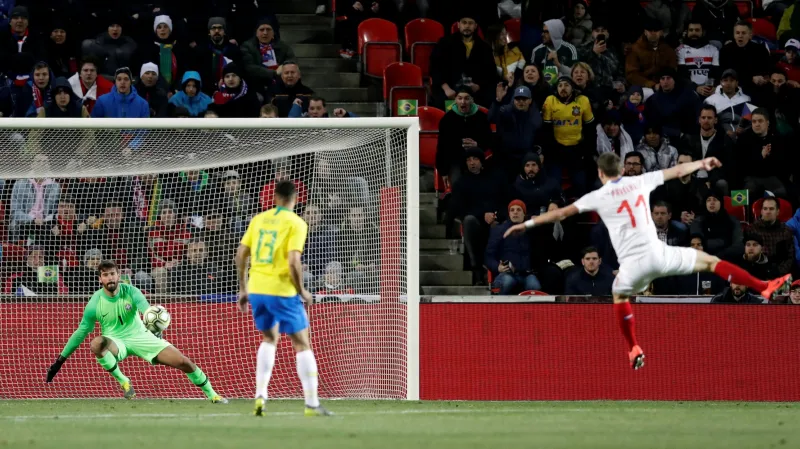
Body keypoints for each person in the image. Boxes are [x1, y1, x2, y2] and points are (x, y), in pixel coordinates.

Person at [504, 152, 792, 370]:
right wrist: (701, 164)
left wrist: (527, 224)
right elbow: (676, 169)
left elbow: (561, 214)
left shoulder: (598, 194)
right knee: (710, 261)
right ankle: (762, 286)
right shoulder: (639, 180)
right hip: (660, 254)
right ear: (620, 170)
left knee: (619, 295)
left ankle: (633, 347)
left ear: (602, 174)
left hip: (633, 266)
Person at [45, 260, 227, 403]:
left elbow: (146, 310)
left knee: (183, 362)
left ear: (119, 275)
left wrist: (154, 328)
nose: (110, 278)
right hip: (116, 341)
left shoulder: (131, 291)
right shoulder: (94, 303)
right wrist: (60, 361)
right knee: (96, 343)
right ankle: (124, 381)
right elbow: (81, 332)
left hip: (141, 337)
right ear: (100, 279)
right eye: (105, 275)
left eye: (113, 274)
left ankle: (213, 395)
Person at [235, 180, 332, 417]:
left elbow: (240, 253)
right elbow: (293, 261)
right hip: (281, 290)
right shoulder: (296, 223)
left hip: (257, 289)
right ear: (295, 199)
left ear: (275, 197)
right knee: (301, 343)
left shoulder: (258, 219)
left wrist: (243, 288)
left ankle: (260, 396)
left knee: (269, 339)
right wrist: (302, 291)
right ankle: (311, 403)